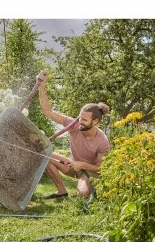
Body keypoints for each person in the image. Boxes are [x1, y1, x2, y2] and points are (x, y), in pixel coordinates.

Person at [37, 71, 110, 199]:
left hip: (89, 172)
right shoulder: (74, 125)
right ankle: (61, 192)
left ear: (96, 121)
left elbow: (100, 170)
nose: (80, 122)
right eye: (79, 118)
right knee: (44, 155)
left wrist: (82, 165)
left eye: (84, 120)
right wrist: (41, 87)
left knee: (82, 194)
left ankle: (91, 189)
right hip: (73, 166)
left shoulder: (102, 141)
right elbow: (48, 111)